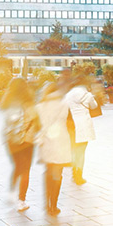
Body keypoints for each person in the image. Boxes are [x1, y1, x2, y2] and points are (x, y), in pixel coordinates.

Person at [0, 78, 40, 211]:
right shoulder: (29, 103)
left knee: (17, 167)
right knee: (25, 170)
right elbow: (37, 123)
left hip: (11, 141)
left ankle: (11, 193)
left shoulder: (7, 103)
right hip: (26, 141)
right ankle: (21, 200)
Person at [36, 83, 72, 216]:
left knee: (48, 172)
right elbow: (69, 122)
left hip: (46, 141)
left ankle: (47, 203)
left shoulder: (39, 106)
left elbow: (37, 125)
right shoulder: (64, 104)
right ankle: (54, 206)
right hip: (60, 141)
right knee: (57, 174)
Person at [65, 74, 98, 185]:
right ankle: (79, 176)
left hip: (72, 125)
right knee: (81, 151)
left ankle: (74, 172)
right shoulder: (87, 95)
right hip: (83, 125)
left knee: (74, 150)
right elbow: (94, 106)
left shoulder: (68, 94)